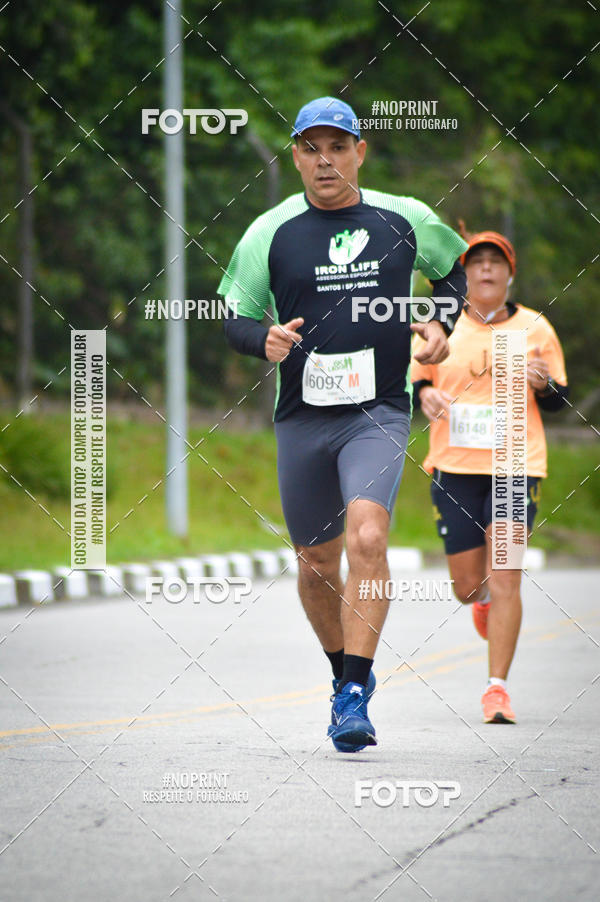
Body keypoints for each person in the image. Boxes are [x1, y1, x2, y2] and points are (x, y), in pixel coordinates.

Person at [218, 96, 468, 752]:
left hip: (377, 413)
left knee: (367, 537)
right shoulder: (268, 232)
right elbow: (233, 313)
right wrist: (260, 340)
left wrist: (441, 323)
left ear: (360, 151)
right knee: (315, 564)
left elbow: (455, 273)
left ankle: (356, 692)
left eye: (338, 146)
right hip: (302, 419)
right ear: (296, 156)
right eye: (311, 148)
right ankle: (342, 673)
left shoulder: (405, 218)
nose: (324, 160)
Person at [412, 230, 568, 723]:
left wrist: (543, 386)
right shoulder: (441, 327)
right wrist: (424, 398)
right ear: (463, 273)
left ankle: (496, 689)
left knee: (506, 576)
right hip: (455, 468)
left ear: (509, 273)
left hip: (514, 467)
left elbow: (559, 398)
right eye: (475, 262)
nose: (484, 270)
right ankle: (479, 603)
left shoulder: (535, 327)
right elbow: (418, 380)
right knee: (467, 585)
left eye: (494, 262)